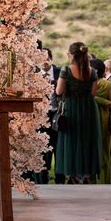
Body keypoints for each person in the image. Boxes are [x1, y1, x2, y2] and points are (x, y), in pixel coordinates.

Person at [55, 42, 102, 184]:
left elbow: (59, 91)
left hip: (71, 109)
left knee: (72, 140)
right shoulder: (92, 71)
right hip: (88, 109)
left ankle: (73, 175)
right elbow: (93, 93)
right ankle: (87, 174)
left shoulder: (66, 70)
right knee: (87, 139)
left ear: (71, 55)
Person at [40, 48, 63, 184]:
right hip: (41, 117)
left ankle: (60, 177)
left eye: (46, 58)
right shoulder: (34, 74)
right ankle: (43, 179)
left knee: (58, 147)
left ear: (51, 59)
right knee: (43, 150)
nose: (43, 62)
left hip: (58, 116)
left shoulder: (60, 72)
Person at [90, 58, 111, 184]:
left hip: (102, 121)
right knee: (101, 153)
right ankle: (100, 181)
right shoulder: (88, 85)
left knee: (103, 153)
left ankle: (104, 181)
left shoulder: (108, 85)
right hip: (96, 121)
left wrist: (96, 99)